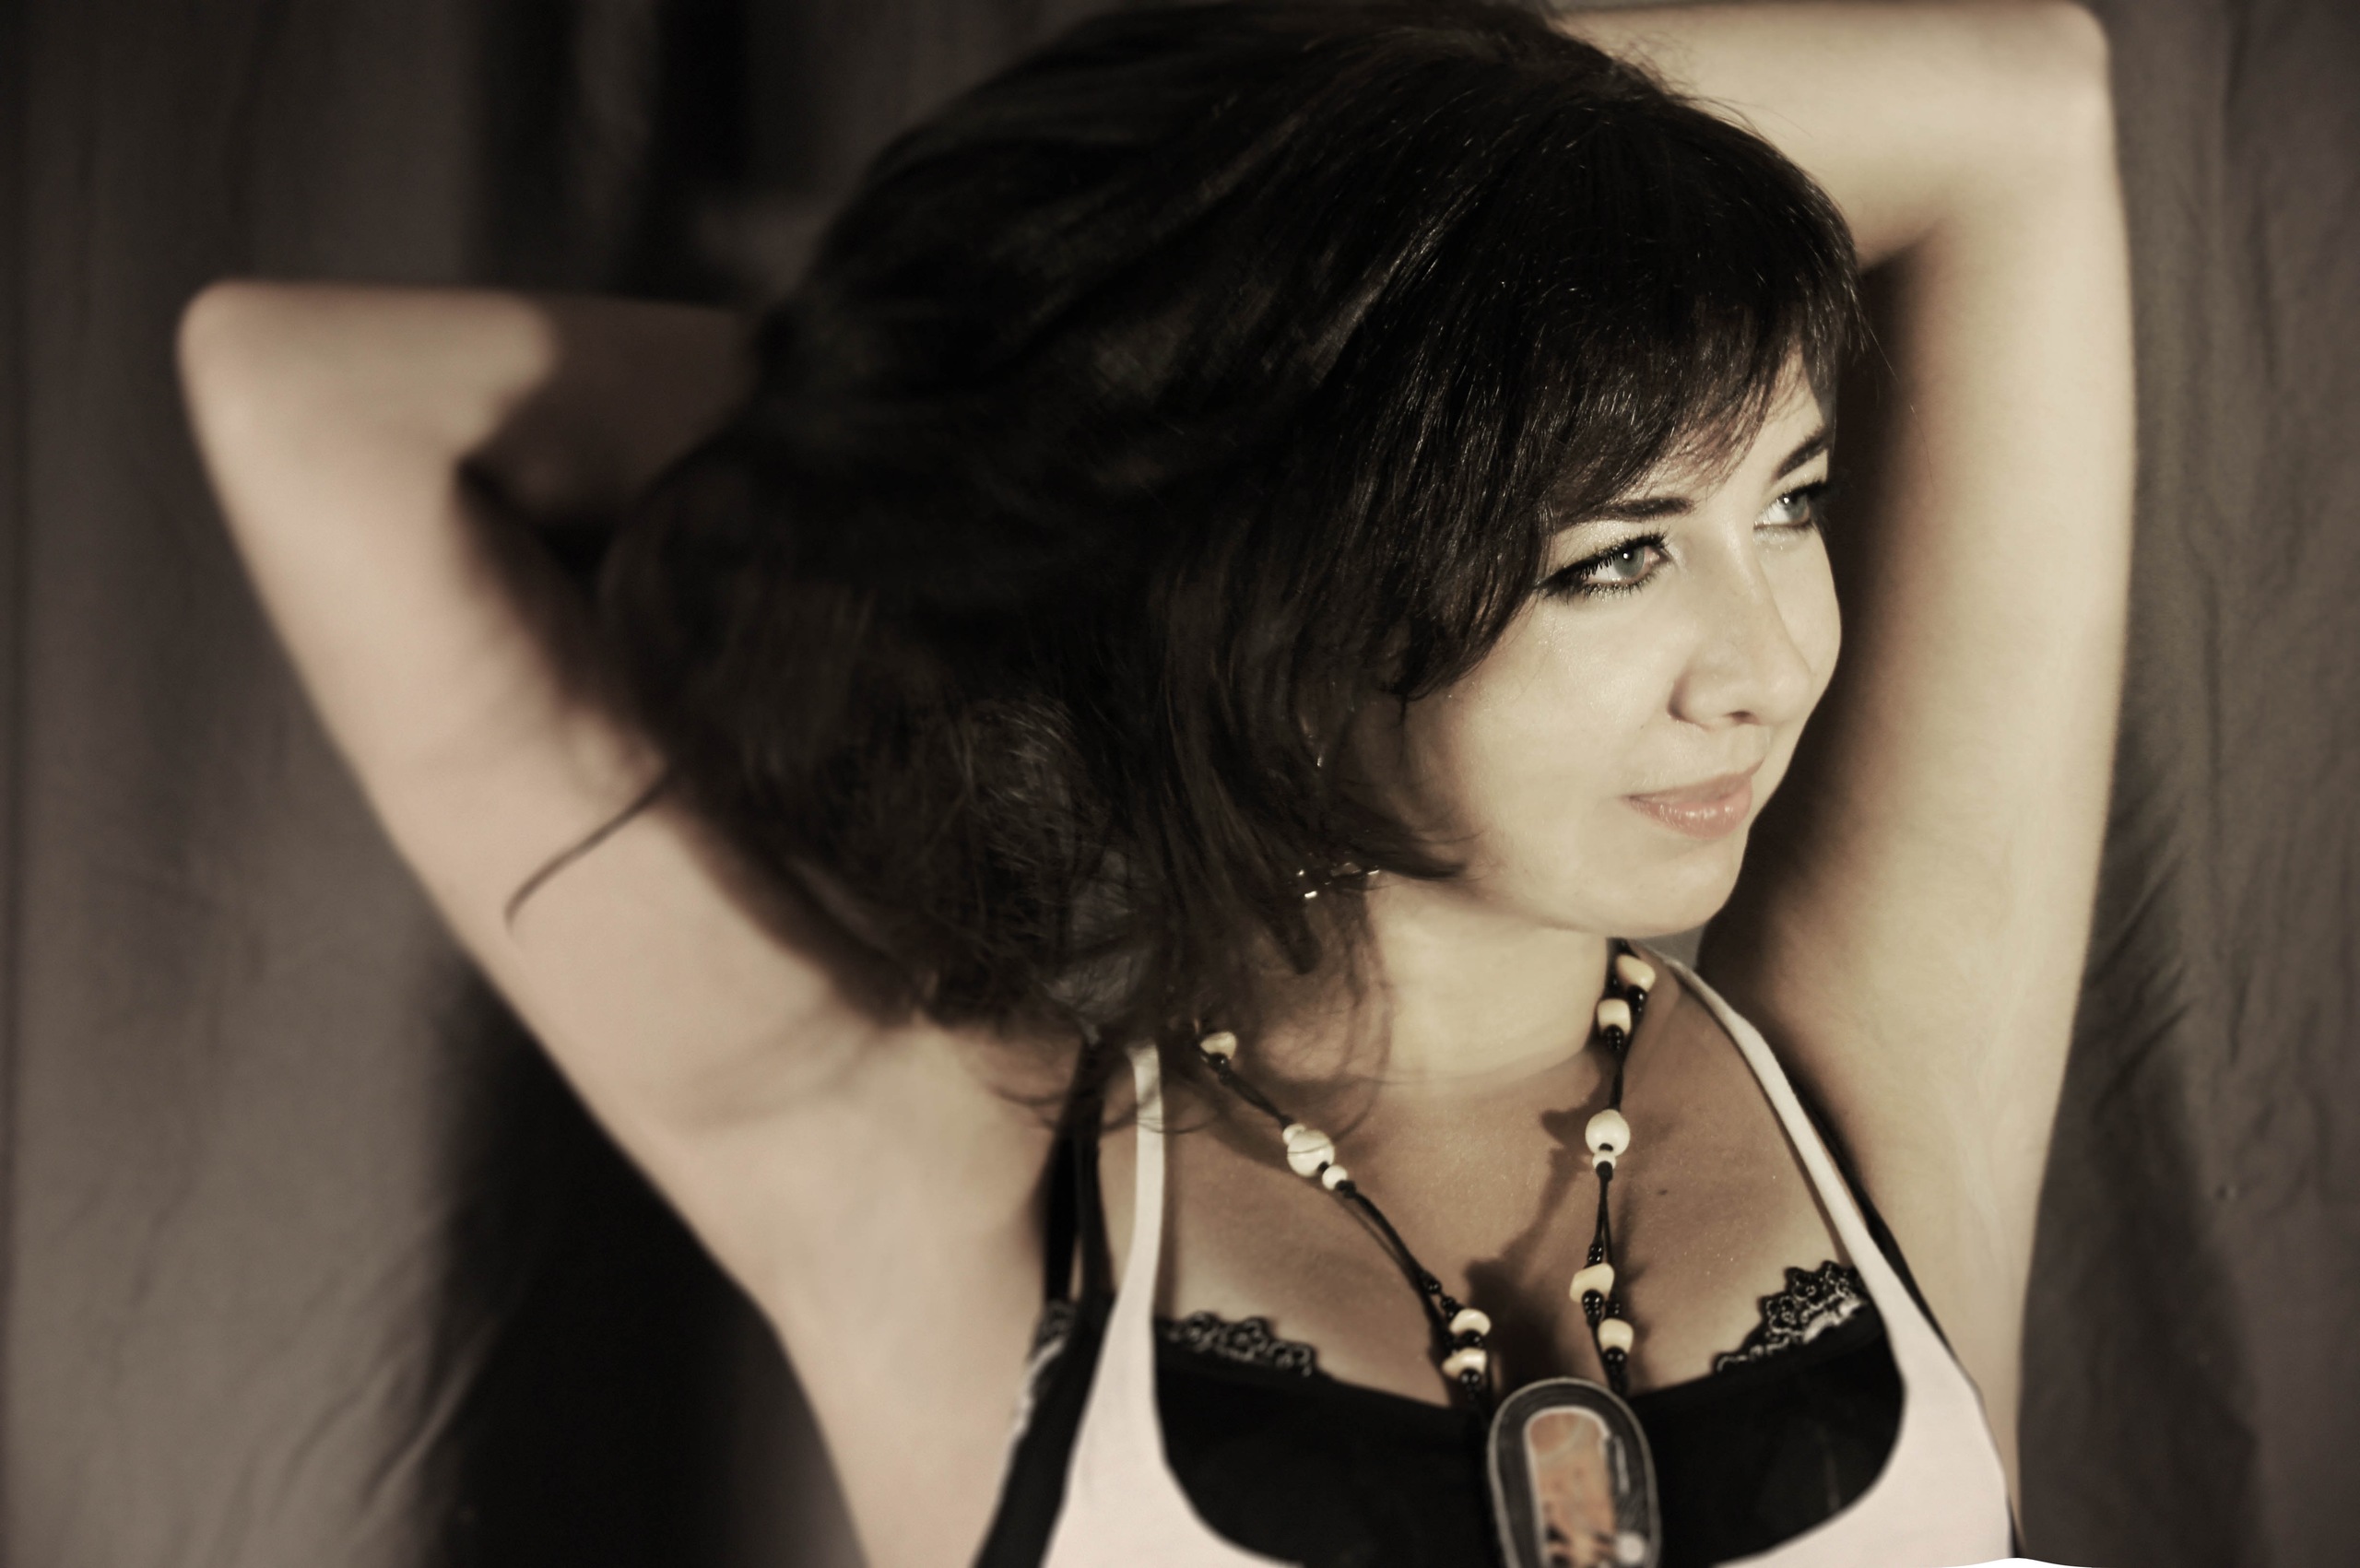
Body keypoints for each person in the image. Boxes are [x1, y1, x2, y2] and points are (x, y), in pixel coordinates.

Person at [176, 2, 2130, 1564]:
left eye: (1788, 501)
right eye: (1611, 558)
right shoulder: (961, 1184)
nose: (1768, 663)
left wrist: (1425, 211)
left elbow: (2020, 101)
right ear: (1273, 566)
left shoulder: (1877, 1064)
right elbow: (305, 393)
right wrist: (1110, 403)